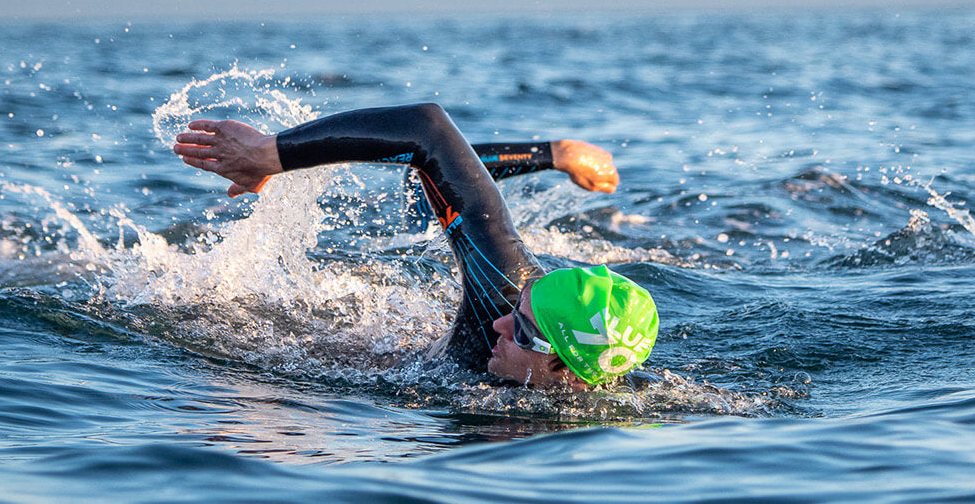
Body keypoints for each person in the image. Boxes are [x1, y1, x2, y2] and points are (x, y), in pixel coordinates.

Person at [172, 103, 658, 389]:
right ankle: (559, 154)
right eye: (519, 308)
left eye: (523, 330)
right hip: (393, 358)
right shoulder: (507, 285)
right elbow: (427, 129)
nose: (499, 323)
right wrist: (267, 155)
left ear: (568, 374)